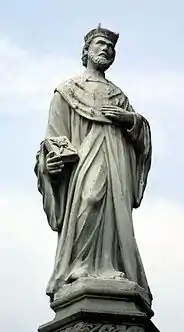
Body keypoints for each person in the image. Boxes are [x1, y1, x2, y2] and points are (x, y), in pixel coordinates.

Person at [35, 25, 152, 303]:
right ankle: (79, 267)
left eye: (111, 47)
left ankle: (111, 266)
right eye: (100, 44)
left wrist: (130, 120)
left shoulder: (119, 96)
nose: (106, 49)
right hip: (86, 162)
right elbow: (53, 138)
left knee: (114, 209)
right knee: (90, 200)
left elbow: (142, 135)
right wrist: (50, 166)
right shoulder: (66, 91)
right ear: (86, 51)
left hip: (117, 163)